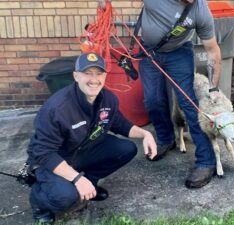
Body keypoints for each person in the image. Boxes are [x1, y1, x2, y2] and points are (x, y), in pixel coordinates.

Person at [98, 0, 222, 189]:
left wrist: (213, 88)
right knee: (152, 101)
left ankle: (206, 162)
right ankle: (166, 139)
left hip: (180, 54)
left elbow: (213, 51)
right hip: (149, 52)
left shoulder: (201, 11)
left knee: (188, 104)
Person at [27, 52, 157, 223]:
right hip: (53, 160)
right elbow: (43, 153)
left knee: (127, 149)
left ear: (104, 76)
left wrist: (145, 134)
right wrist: (76, 178)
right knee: (66, 198)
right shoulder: (57, 109)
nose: (94, 79)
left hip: (83, 149)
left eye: (99, 73)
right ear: (76, 76)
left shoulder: (108, 99)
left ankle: (90, 183)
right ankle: (39, 201)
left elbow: (120, 124)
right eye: (87, 73)